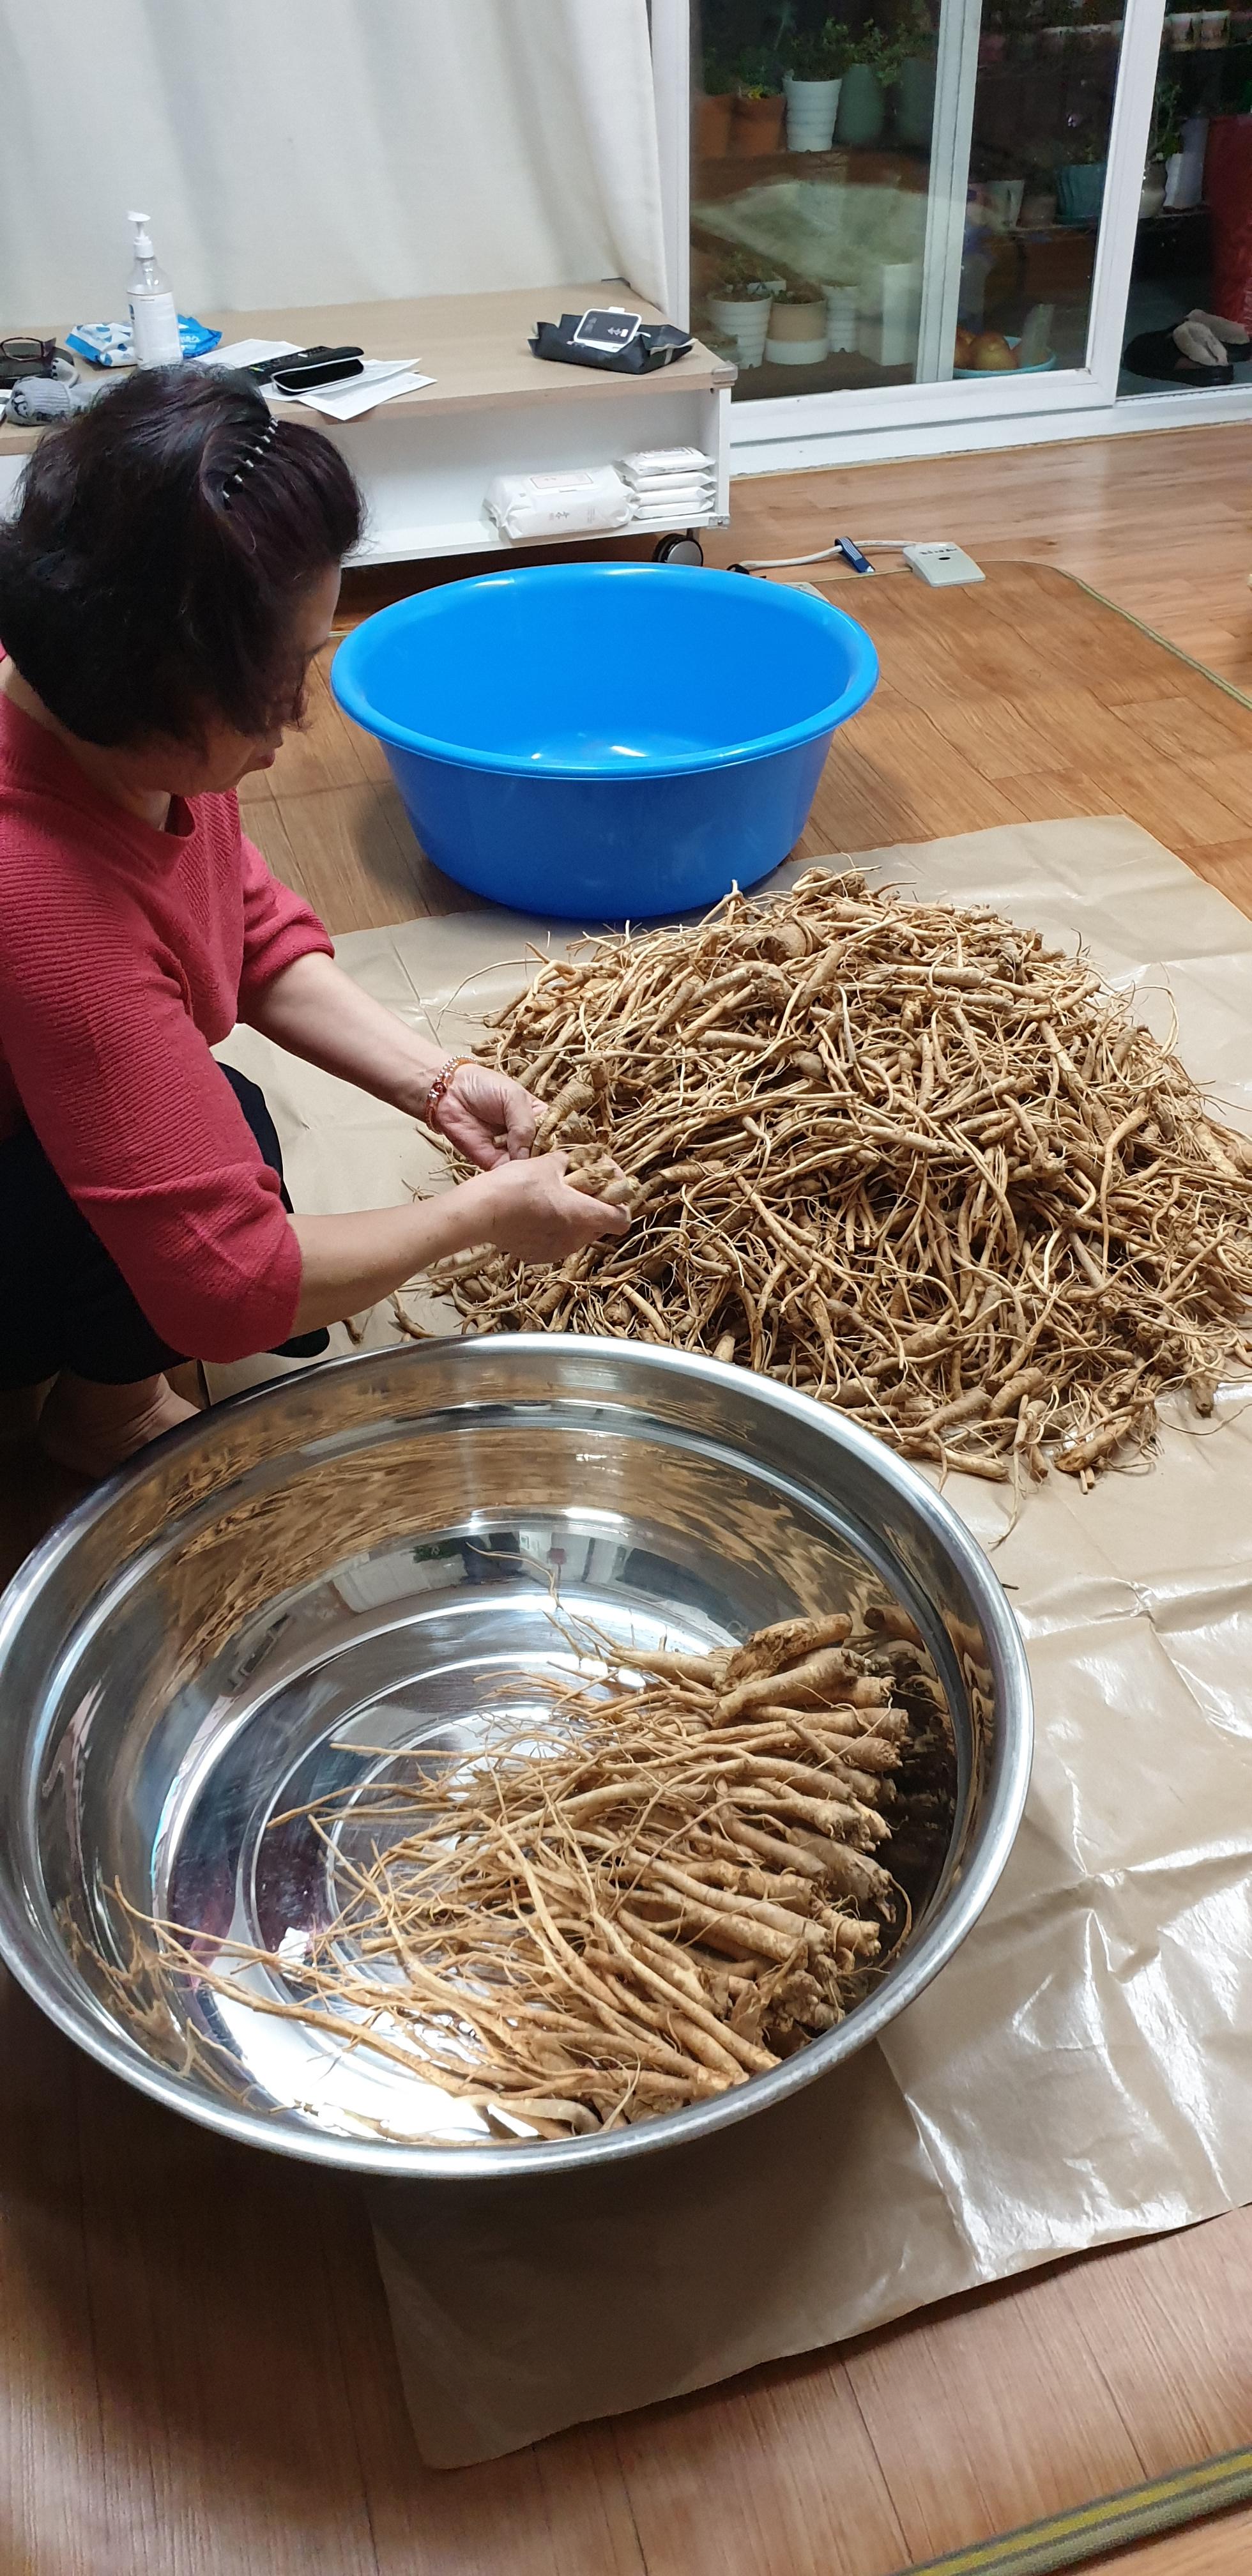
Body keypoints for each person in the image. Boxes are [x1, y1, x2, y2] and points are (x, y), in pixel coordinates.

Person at [0, 368, 627, 1478]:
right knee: (216, 1157)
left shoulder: (110, 716)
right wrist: (482, 1217)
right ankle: (97, 1419)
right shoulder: (43, 900)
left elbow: (240, 918)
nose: (294, 722)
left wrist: (437, 1081)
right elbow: (228, 1285)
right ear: (151, 679)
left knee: (225, 1119)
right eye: (278, 681)